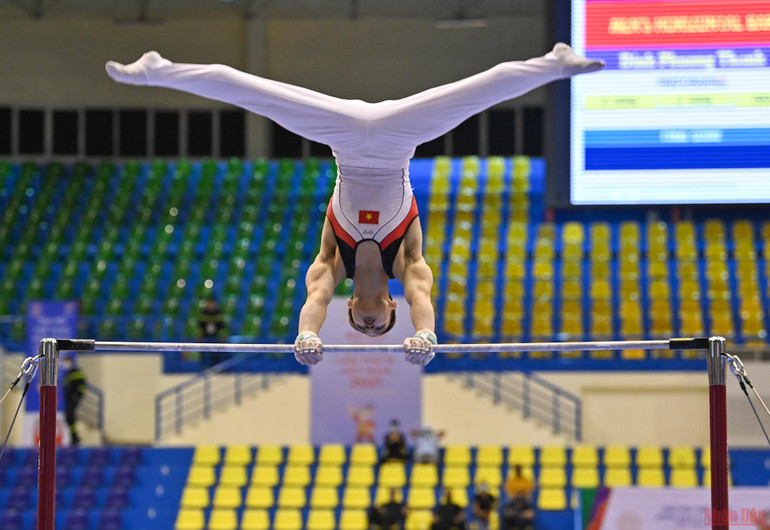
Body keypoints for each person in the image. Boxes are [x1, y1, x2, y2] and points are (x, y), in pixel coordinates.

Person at [105, 46, 603, 368]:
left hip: (343, 140)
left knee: (255, 94)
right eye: (380, 324)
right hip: (398, 143)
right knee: (471, 95)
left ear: (350, 307)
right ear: (391, 306)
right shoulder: (408, 266)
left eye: (361, 327)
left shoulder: (330, 264)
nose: (368, 325)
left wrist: (307, 337)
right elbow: (423, 301)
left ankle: (158, 71)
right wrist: (426, 335)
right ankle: (556, 63)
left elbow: (313, 302)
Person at [62, 355, 87, 446]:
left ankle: (75, 437)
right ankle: (74, 436)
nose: (66, 363)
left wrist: (78, 395)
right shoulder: (67, 374)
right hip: (68, 399)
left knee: (70, 415)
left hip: (74, 397)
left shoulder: (77, 371)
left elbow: (82, 384)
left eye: (67, 361)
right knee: (69, 417)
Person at [198, 296, 227, 367]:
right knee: (204, 352)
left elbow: (222, 326)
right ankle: (204, 367)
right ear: (207, 304)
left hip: (215, 337)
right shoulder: (203, 312)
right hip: (206, 337)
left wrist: (223, 336)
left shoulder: (218, 312)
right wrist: (200, 336)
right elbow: (200, 326)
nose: (211, 305)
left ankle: (217, 367)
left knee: (217, 352)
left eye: (212, 303)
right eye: (209, 303)